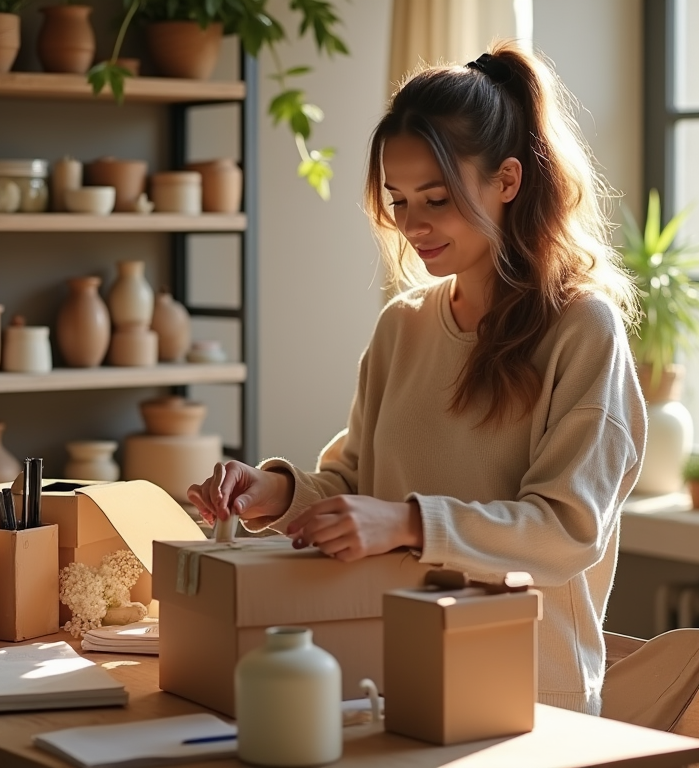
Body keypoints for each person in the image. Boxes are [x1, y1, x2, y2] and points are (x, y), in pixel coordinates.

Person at [187, 40, 647, 716]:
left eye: (436, 198)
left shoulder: (583, 331)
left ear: (508, 181)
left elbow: (564, 532)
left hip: (526, 700)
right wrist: (273, 494)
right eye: (398, 200)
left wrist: (406, 522)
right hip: (388, 677)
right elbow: (353, 485)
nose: (413, 225)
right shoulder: (403, 327)